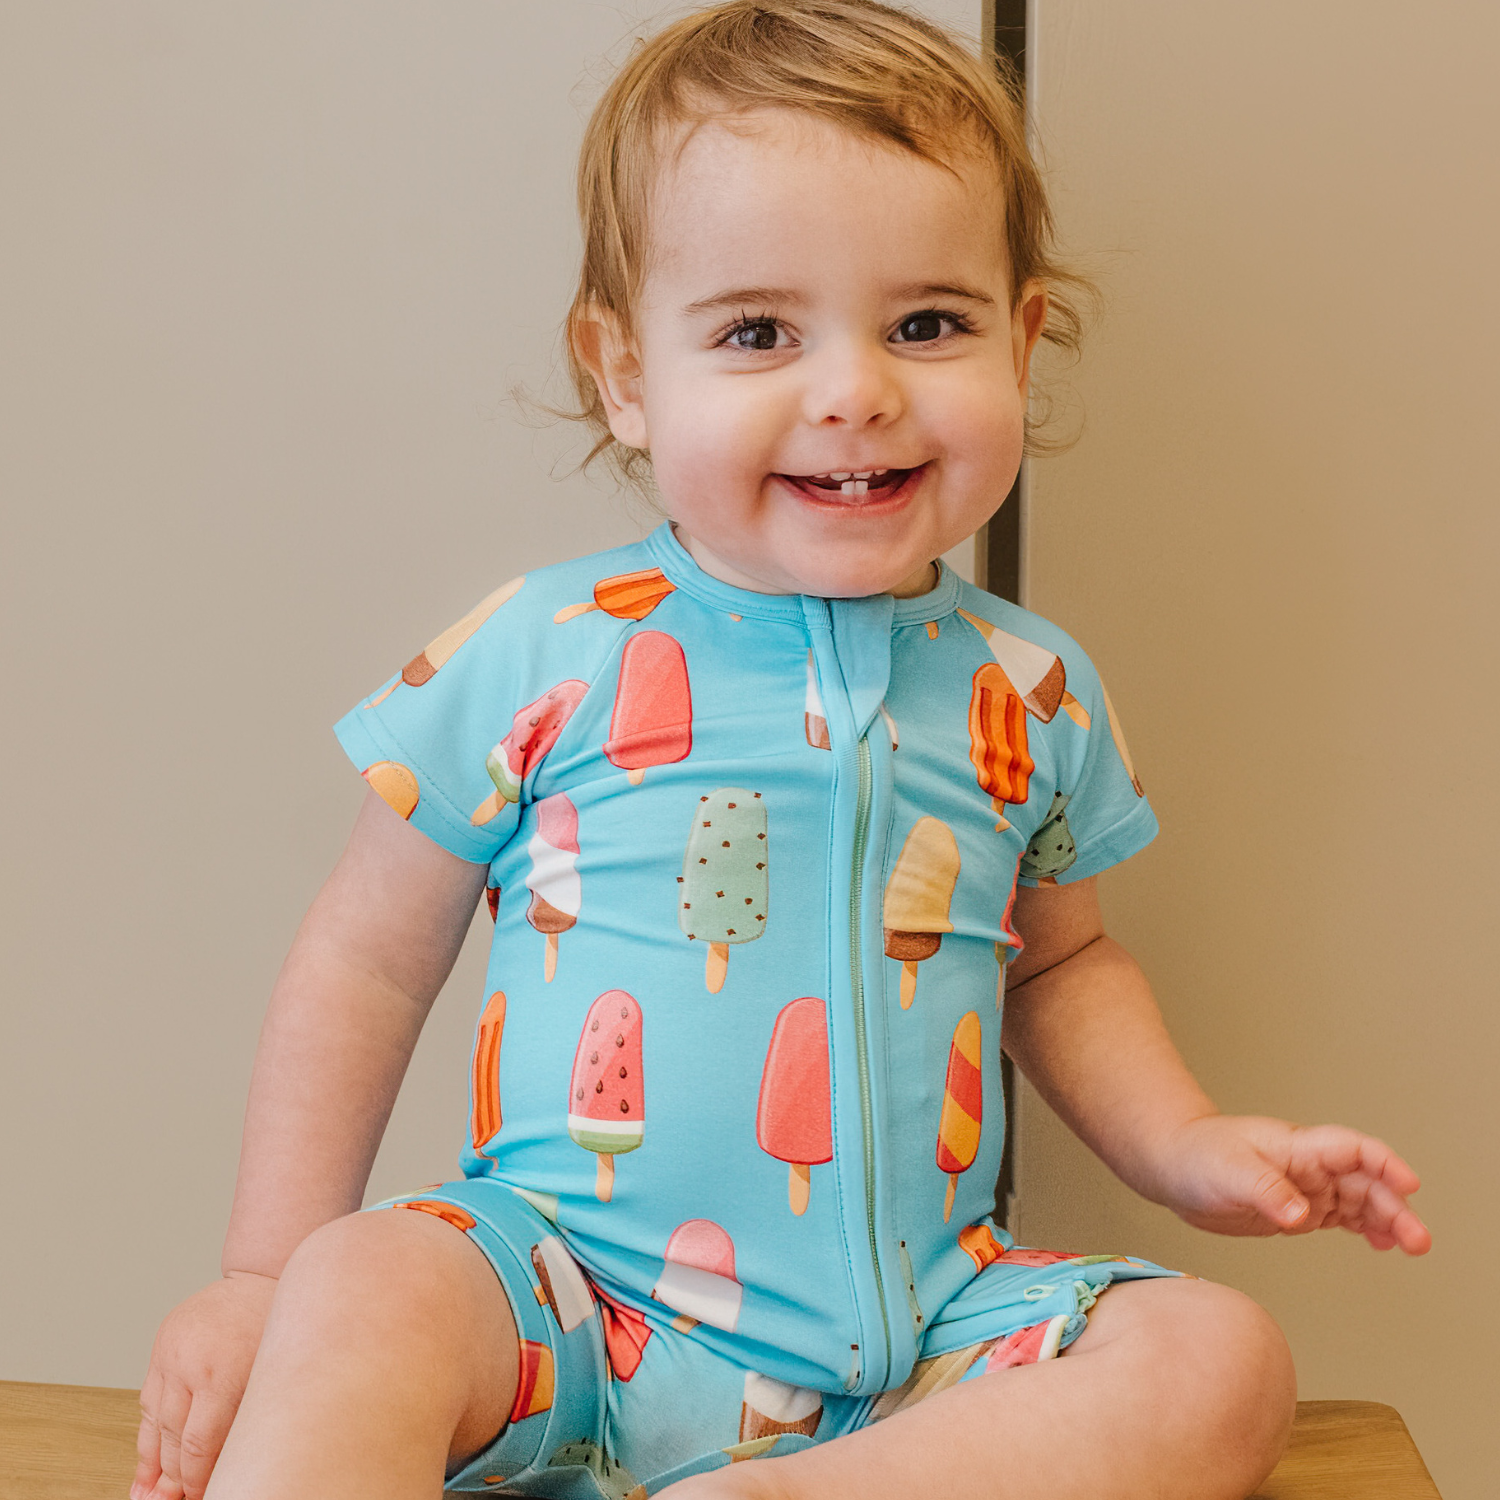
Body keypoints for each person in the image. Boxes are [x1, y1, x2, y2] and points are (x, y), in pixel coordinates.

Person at [132, 4, 1431, 1498]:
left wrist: (1188, 1142)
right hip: (571, 1308)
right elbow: (365, 961)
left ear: (1021, 341)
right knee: (361, 1284)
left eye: (927, 324)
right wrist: (260, 1275)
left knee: (1221, 1358)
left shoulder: (1033, 688)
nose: (855, 389)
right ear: (624, 372)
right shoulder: (539, 651)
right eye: (758, 332)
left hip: (923, 1345)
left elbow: (1063, 967)